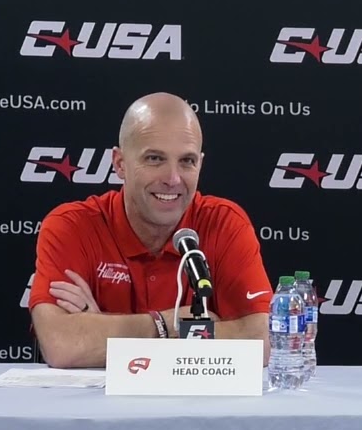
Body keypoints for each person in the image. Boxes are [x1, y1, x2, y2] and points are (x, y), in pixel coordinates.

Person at [28, 92, 272, 368]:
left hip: (196, 408)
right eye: (155, 159)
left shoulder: (224, 223)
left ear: (200, 164)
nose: (172, 179)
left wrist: (101, 329)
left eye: (187, 161)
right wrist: (168, 324)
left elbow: (263, 339)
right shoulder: (71, 226)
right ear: (120, 164)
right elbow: (63, 346)